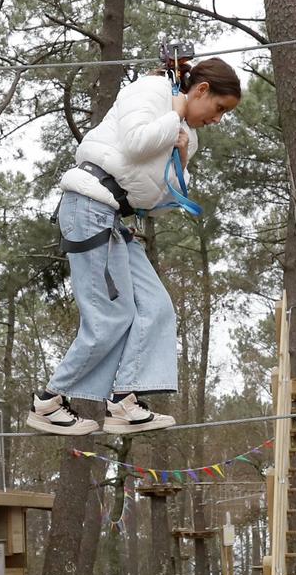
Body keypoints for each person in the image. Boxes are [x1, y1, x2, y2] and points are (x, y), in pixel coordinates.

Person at [25, 56, 242, 436]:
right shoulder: (151, 92)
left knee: (156, 308)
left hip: (113, 219)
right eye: (219, 108)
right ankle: (48, 403)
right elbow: (135, 142)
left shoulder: (185, 131)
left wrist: (183, 155)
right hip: (89, 206)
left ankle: (124, 400)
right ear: (202, 90)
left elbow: (156, 200)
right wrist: (174, 118)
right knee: (110, 316)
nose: (218, 119)